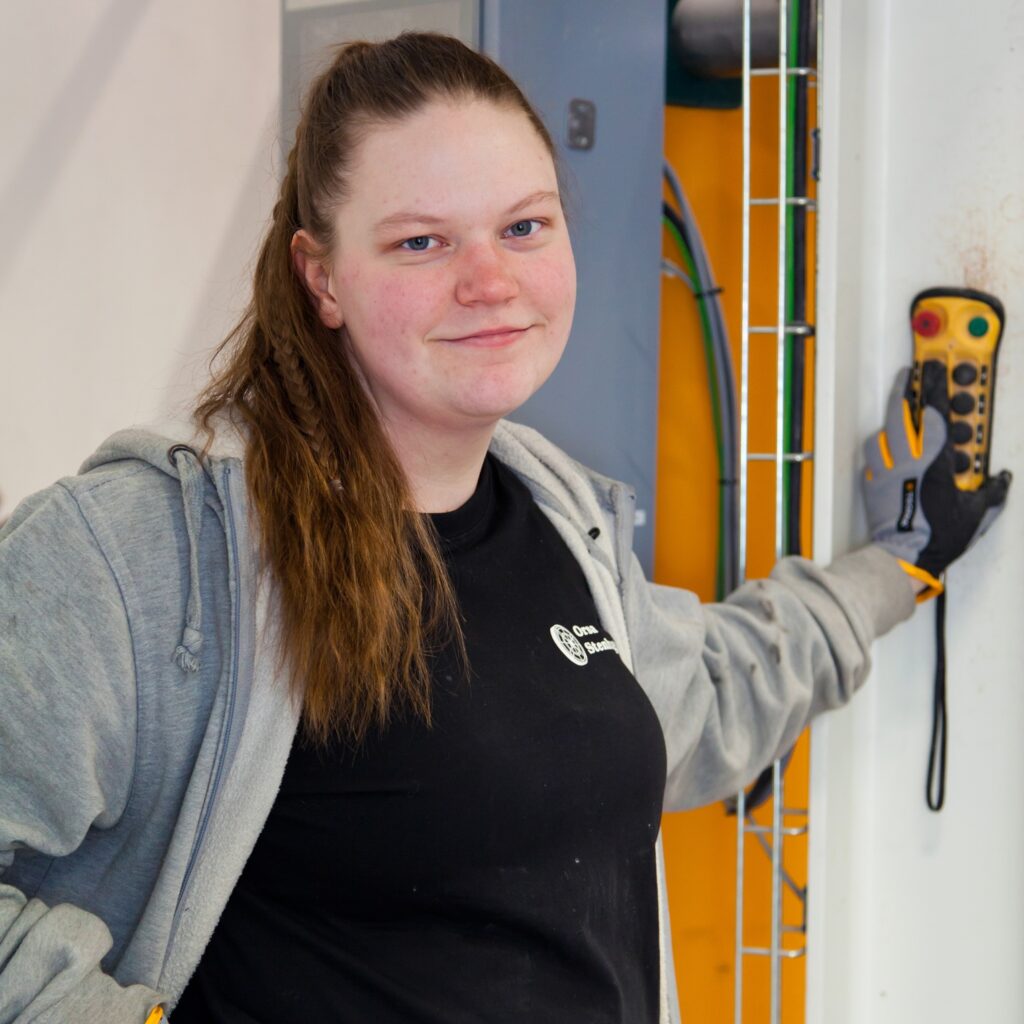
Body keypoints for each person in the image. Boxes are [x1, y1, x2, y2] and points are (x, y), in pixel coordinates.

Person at [0, 31, 1009, 1024]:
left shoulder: (564, 522)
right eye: (421, 242)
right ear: (321, 278)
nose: (490, 281)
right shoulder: (150, 552)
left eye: (524, 227)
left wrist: (901, 562)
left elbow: (705, 693)